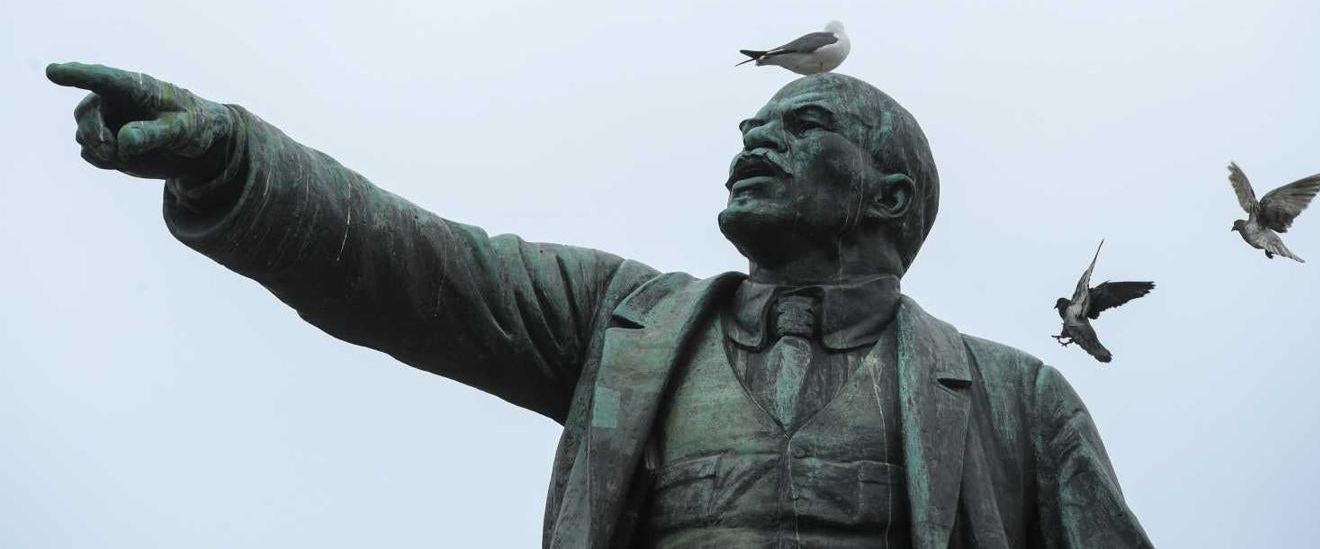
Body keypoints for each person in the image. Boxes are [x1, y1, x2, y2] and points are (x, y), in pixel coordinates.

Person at [47, 61, 1152, 548]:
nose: (754, 137)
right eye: (749, 127)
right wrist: (232, 160)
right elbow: (411, 265)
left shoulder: (1018, 404)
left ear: (890, 195)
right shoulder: (624, 324)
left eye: (802, 124)